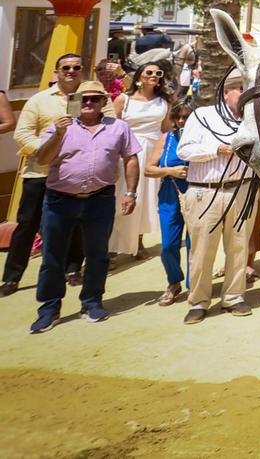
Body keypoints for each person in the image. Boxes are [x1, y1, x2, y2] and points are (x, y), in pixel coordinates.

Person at [27, 80, 141, 333]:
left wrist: (131, 192)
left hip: (99, 200)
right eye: (84, 99)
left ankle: (91, 303)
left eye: (94, 99)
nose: (88, 103)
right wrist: (57, 134)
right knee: (52, 257)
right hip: (59, 200)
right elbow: (42, 159)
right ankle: (49, 309)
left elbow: (131, 158)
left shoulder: (118, 127)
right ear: (75, 101)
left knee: (98, 255)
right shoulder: (60, 126)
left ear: (103, 102)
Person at [2, 55, 87, 298]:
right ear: (57, 71)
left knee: (77, 222)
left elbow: (108, 124)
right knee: (27, 224)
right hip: (40, 172)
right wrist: (49, 151)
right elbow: (22, 135)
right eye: (66, 68)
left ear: (82, 70)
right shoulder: (39, 100)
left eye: (76, 67)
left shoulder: (92, 97)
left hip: (75, 172)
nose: (71, 71)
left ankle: (73, 269)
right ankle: (11, 277)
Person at [176, 70, 256, 323]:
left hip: (241, 189)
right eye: (241, 88)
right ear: (226, 92)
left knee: (239, 247)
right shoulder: (202, 116)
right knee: (201, 250)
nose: (246, 95)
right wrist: (216, 149)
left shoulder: (252, 120)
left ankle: (234, 297)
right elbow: (184, 150)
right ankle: (198, 301)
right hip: (204, 190)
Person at [110, 62, 173, 258]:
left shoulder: (164, 102)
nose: (154, 75)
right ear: (139, 77)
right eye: (149, 72)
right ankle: (112, 246)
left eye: (158, 73)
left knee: (147, 199)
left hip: (152, 154)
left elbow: (165, 129)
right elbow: (112, 128)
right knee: (122, 197)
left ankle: (138, 241)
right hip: (127, 154)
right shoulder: (123, 100)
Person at [146, 101, 190, 305]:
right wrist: (170, 171)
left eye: (186, 117)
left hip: (194, 194)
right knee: (168, 245)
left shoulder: (200, 138)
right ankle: (174, 281)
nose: (181, 121)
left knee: (194, 244)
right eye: (178, 117)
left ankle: (194, 284)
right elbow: (148, 169)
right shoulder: (166, 139)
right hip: (169, 194)